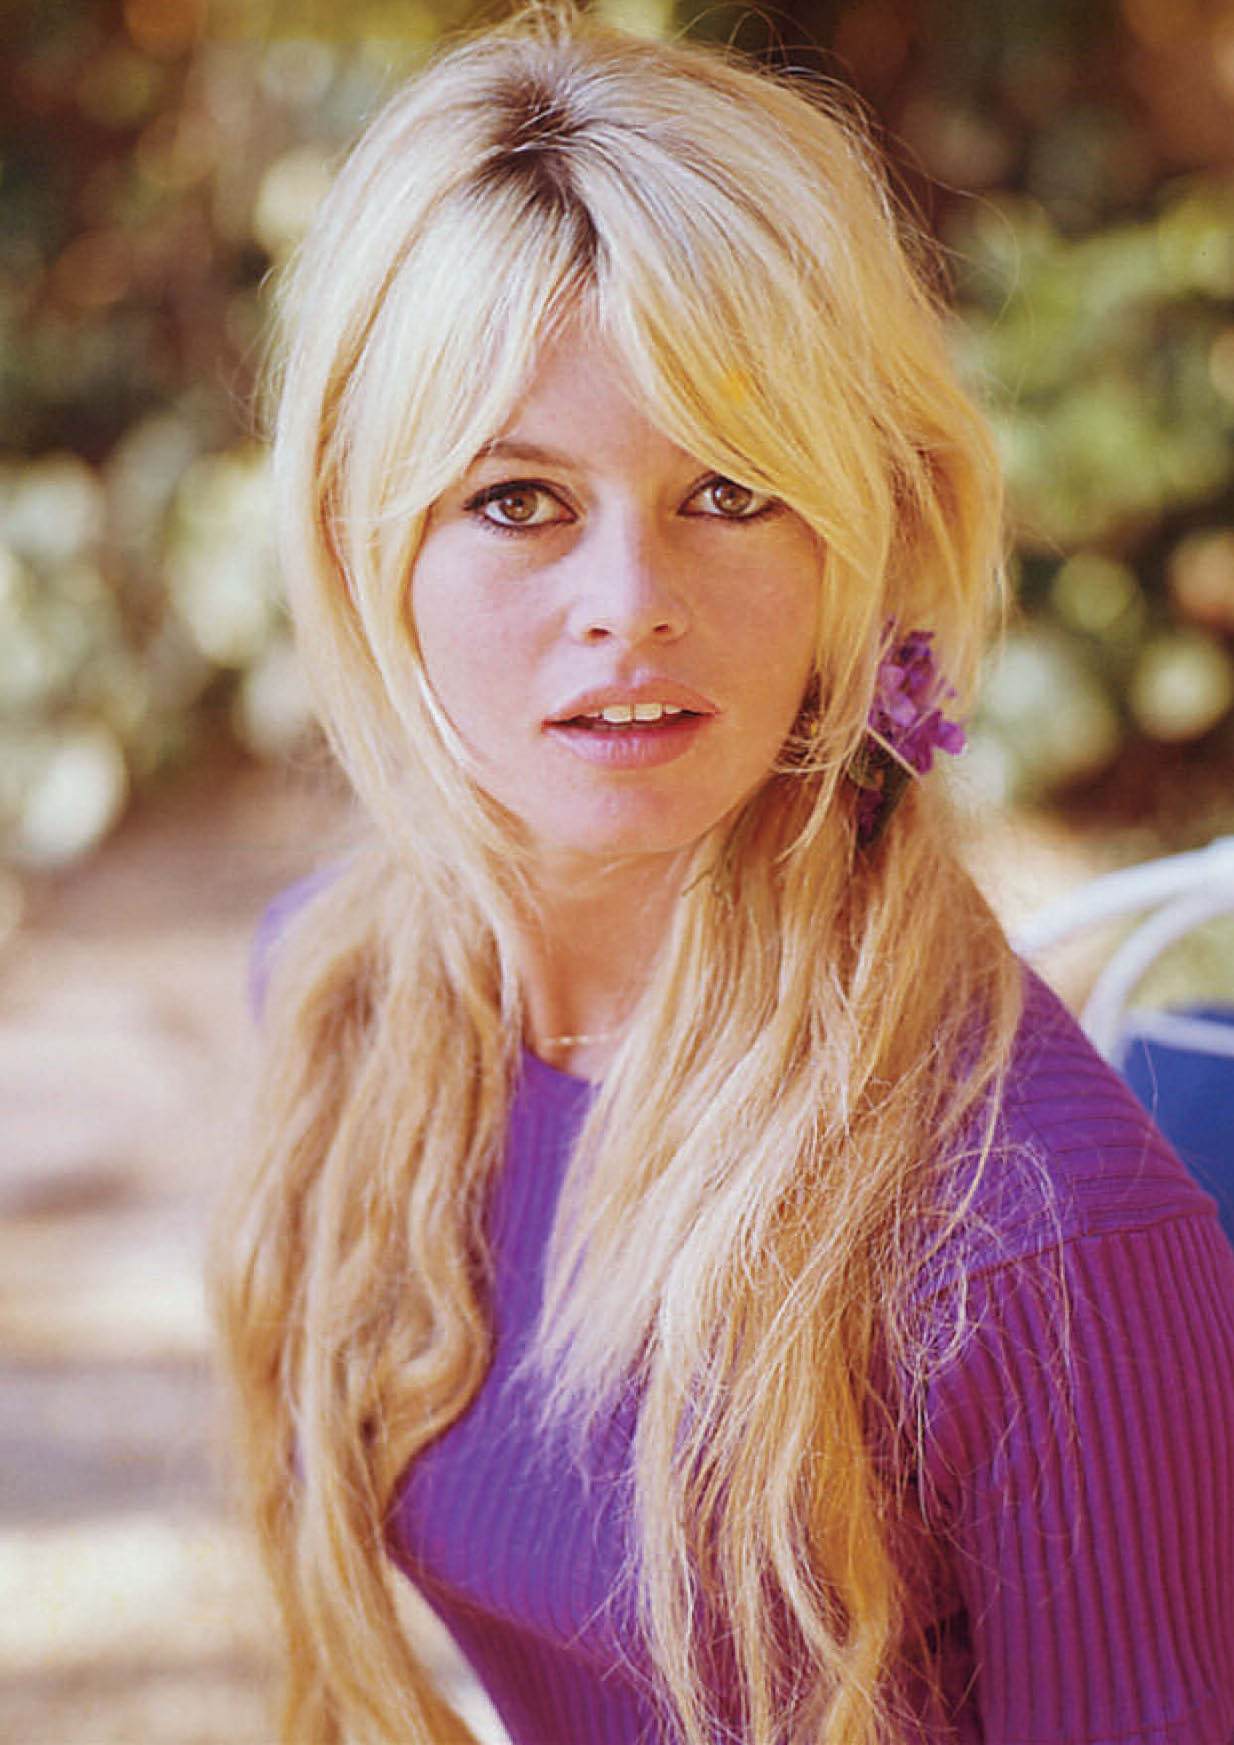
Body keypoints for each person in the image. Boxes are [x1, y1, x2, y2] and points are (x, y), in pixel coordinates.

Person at [210, 8, 1234, 1744]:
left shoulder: (1038, 1243)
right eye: (518, 500)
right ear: (356, 535)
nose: (629, 603)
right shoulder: (346, 993)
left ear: (867, 536)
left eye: (732, 490)